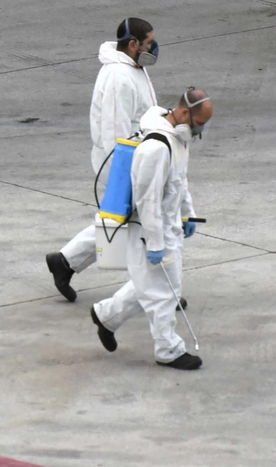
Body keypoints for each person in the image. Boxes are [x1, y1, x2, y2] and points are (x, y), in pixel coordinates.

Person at [90, 88, 211, 370]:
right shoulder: (155, 148)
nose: (200, 130)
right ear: (184, 113)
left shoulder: (179, 140)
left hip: (169, 226)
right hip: (151, 231)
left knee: (151, 284)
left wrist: (187, 214)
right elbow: (148, 200)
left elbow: (180, 181)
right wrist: (155, 243)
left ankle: (106, 316)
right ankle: (168, 349)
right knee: (163, 292)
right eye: (199, 123)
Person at [45, 18, 158, 303]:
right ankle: (155, 288)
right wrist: (126, 172)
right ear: (132, 44)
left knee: (123, 221)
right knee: (141, 222)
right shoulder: (120, 76)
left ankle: (65, 261)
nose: (153, 48)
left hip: (136, 157)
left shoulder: (132, 67)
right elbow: (116, 130)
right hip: (124, 160)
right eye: (149, 43)